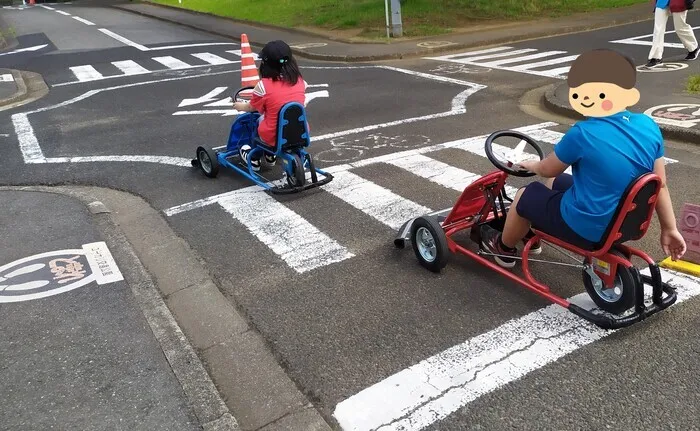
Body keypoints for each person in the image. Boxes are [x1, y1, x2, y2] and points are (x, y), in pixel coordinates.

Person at [480, 49, 687, 268]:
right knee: (555, 184)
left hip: (589, 227)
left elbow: (548, 169)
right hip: (626, 224)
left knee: (526, 194)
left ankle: (504, 250)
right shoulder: (649, 125)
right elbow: (660, 185)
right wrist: (670, 229)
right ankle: (531, 229)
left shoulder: (583, 133)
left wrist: (531, 164)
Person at [233, 40, 307, 172]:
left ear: (266, 64)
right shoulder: (301, 81)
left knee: (258, 121)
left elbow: (252, 107)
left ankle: (254, 158)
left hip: (273, 136)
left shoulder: (263, 86)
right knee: (277, 119)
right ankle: (270, 155)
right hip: (301, 133)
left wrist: (239, 106)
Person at [646, 0, 698, 67]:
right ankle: (655, 57)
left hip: (679, 1)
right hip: (662, 1)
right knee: (658, 29)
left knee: (680, 28)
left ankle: (693, 47)